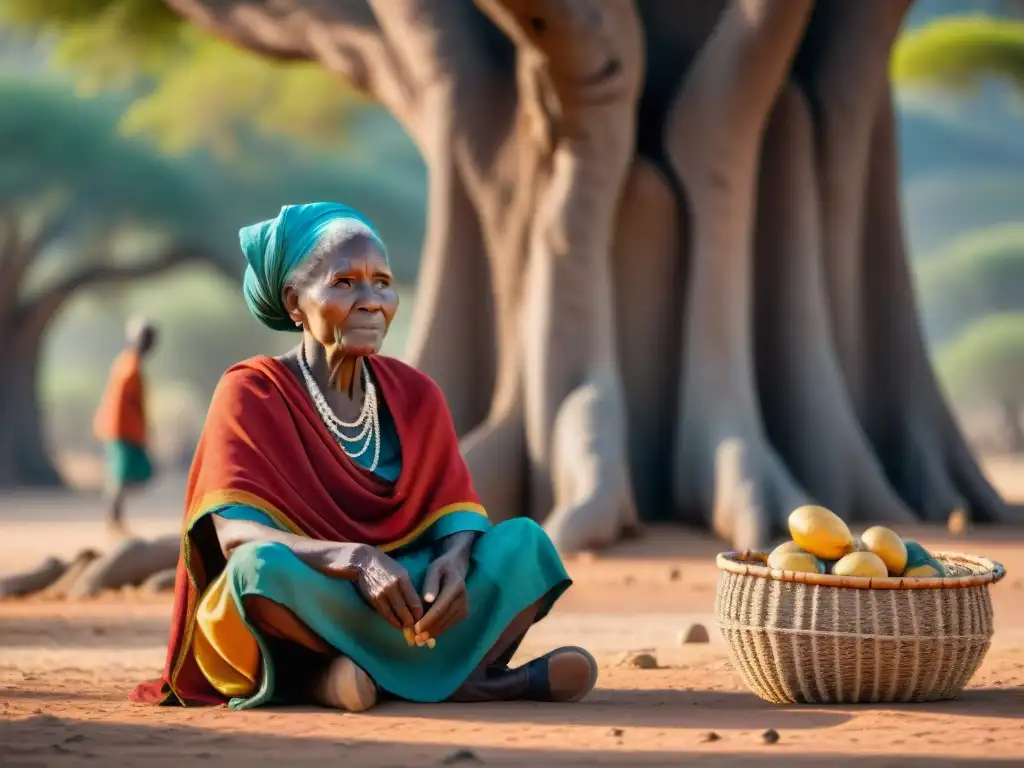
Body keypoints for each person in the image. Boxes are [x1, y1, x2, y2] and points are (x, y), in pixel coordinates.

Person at [131, 203, 597, 712]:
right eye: (345, 283)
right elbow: (233, 532)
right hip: (321, 591)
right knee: (255, 571)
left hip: (408, 598)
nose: (371, 301)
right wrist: (353, 559)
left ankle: (346, 682)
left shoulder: (416, 392)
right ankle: (477, 683)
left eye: (382, 282)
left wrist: (454, 561)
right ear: (294, 303)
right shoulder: (252, 390)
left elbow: (457, 510)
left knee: (526, 543)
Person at [93, 317, 158, 537]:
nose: (148, 343)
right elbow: (119, 403)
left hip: (129, 430)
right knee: (121, 476)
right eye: (145, 338)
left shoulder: (129, 364)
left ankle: (114, 517)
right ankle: (113, 519)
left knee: (133, 474)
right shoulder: (128, 367)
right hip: (121, 430)